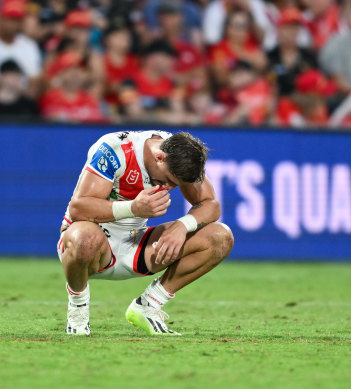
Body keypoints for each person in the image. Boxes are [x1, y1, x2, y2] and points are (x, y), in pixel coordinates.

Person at [57, 131, 234, 335]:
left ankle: (148, 305)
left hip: (135, 244)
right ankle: (78, 309)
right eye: (168, 180)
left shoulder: (179, 155)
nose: (169, 187)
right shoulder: (114, 150)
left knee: (220, 237)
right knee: (85, 238)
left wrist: (182, 226)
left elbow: (211, 204)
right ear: (160, 157)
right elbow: (79, 208)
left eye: (176, 185)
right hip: (88, 245)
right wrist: (133, 208)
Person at [39, 51, 107, 123]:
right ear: (60, 73)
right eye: (69, 69)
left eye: (79, 69)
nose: (75, 73)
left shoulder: (91, 99)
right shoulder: (50, 98)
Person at [266, 6, 318, 97]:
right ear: (279, 29)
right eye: (288, 27)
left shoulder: (309, 56)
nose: (292, 32)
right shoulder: (269, 56)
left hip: (305, 103)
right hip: (279, 103)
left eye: (295, 27)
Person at [208, 10, 267, 87]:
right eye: (237, 25)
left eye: (244, 26)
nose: (241, 30)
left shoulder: (251, 42)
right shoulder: (218, 48)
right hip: (230, 90)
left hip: (254, 86)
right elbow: (221, 77)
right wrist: (248, 57)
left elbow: (262, 65)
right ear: (227, 28)